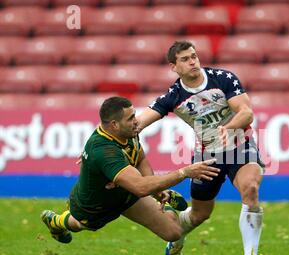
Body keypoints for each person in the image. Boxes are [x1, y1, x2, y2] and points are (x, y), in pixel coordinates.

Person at [137, 41, 267, 255]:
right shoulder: (174, 95)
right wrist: (102, 140)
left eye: (194, 56)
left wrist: (227, 128)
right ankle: (175, 239)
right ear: (173, 66)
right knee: (199, 214)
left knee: (251, 189)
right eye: (185, 59)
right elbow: (138, 123)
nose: (192, 61)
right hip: (208, 156)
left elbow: (246, 113)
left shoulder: (223, 78)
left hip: (241, 147)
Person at [41, 96, 220, 246]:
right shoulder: (104, 151)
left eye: (134, 115)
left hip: (126, 193)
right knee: (79, 224)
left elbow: (140, 158)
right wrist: (184, 172)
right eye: (130, 118)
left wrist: (157, 190)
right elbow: (141, 187)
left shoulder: (128, 132)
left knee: (174, 232)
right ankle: (56, 221)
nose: (137, 121)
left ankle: (160, 196)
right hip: (96, 205)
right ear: (114, 125)